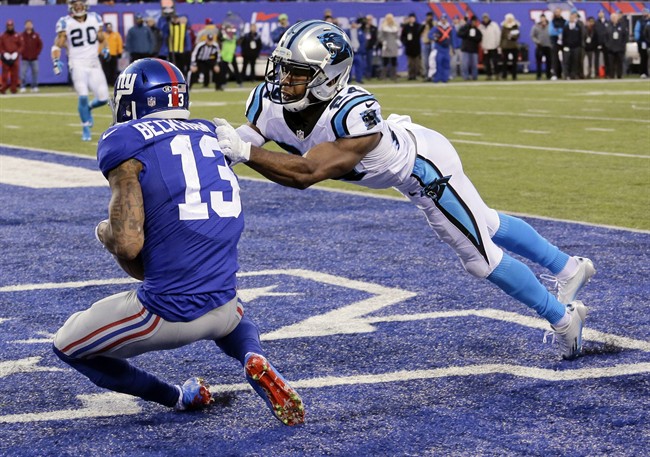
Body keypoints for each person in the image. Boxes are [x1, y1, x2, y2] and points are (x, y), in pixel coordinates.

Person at [213, 20, 595, 361]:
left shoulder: (353, 111)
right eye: (282, 69)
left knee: (479, 257)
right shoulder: (269, 100)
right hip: (413, 157)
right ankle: (569, 267)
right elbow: (254, 134)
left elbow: (307, 173)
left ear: (327, 77)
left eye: (295, 72)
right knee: (487, 223)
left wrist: (244, 152)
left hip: (425, 170)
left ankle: (563, 319)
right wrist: (230, 145)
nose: (282, 80)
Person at [52, 58, 304, 426]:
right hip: (225, 308)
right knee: (231, 314)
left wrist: (103, 231)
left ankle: (179, 397)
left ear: (141, 100)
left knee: (67, 346)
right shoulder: (208, 133)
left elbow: (127, 245)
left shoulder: (124, 141)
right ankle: (252, 354)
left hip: (167, 311)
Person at [51, 0, 109, 141]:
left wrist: (105, 48)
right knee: (82, 94)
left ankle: (88, 108)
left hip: (94, 62)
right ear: (71, 6)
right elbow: (57, 45)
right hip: (76, 63)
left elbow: (101, 38)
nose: (78, 6)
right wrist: (56, 60)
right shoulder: (65, 22)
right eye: (75, 4)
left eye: (80, 3)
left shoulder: (95, 17)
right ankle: (85, 127)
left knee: (103, 99)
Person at [19, 20, 43, 93]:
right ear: (25, 26)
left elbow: (40, 45)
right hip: (25, 58)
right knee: (23, 73)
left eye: (30, 24)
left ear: (32, 25)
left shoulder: (36, 35)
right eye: (27, 24)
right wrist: (22, 53)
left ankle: (34, 86)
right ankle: (22, 86)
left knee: (35, 72)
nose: (28, 26)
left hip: (34, 58)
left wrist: (37, 53)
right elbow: (19, 45)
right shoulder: (21, 35)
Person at [0, 19, 23, 95]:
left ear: (13, 26)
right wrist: (4, 53)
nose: (10, 27)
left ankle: (13, 89)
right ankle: (3, 89)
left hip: (14, 57)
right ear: (6, 26)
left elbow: (21, 45)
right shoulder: (3, 36)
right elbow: (0, 46)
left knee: (14, 75)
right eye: (8, 26)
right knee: (5, 75)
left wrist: (17, 53)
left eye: (11, 26)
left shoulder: (17, 35)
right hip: (5, 58)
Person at [457, 15, 482, 81]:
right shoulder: (465, 28)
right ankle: (465, 77)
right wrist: (467, 32)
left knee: (474, 65)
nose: (474, 23)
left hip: (474, 50)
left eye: (475, 22)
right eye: (473, 21)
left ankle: (474, 77)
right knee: (465, 64)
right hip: (466, 49)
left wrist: (473, 38)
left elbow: (479, 38)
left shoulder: (477, 30)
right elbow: (459, 34)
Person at [430, 14, 454, 83]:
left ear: (446, 19)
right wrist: (434, 38)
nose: (443, 20)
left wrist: (452, 47)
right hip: (439, 48)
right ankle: (437, 78)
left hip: (446, 48)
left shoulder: (449, 27)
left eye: (445, 19)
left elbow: (452, 38)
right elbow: (430, 34)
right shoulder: (437, 27)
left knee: (446, 64)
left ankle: (445, 78)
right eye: (442, 19)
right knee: (438, 63)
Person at [561, 11, 584, 80]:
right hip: (567, 47)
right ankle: (566, 75)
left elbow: (580, 37)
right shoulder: (566, 27)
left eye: (573, 17)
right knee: (567, 61)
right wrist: (564, 45)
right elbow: (563, 37)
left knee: (575, 61)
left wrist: (579, 46)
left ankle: (574, 74)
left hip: (576, 47)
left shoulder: (578, 27)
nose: (572, 18)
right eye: (571, 17)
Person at [378, 13, 400, 81]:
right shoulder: (383, 27)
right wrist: (383, 42)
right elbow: (380, 36)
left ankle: (393, 76)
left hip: (394, 45)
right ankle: (383, 76)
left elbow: (397, 36)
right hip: (386, 45)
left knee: (394, 61)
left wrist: (397, 41)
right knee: (385, 62)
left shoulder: (395, 27)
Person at [478, 13, 500, 80]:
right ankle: (489, 75)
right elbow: (479, 37)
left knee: (495, 62)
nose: (485, 19)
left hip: (494, 46)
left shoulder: (494, 25)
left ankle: (497, 74)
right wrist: (481, 45)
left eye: (486, 17)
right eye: (484, 18)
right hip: (485, 47)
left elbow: (498, 34)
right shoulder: (480, 26)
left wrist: (497, 44)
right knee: (486, 63)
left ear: (488, 18)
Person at [605, 12, 627, 79]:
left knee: (620, 62)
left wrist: (623, 45)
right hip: (611, 48)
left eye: (615, 17)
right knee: (611, 63)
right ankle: (611, 75)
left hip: (619, 48)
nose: (614, 19)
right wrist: (608, 45)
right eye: (612, 18)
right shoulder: (608, 26)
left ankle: (619, 75)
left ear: (617, 18)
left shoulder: (622, 26)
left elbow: (625, 36)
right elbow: (605, 37)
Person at [401, 13, 422, 81]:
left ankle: (416, 75)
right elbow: (402, 36)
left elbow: (420, 33)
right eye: (410, 18)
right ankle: (410, 75)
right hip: (409, 47)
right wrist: (405, 42)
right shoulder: (406, 27)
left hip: (416, 47)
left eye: (413, 18)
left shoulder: (417, 26)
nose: (411, 19)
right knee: (410, 63)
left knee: (416, 63)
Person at [531, 15, 552, 80]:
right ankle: (539, 75)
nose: (542, 20)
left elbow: (553, 34)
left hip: (548, 46)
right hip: (539, 46)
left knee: (549, 62)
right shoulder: (536, 26)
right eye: (541, 19)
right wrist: (537, 41)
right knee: (538, 62)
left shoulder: (550, 26)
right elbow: (532, 36)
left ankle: (548, 75)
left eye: (543, 18)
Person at [101, 22, 123, 86]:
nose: (109, 28)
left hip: (114, 54)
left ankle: (113, 82)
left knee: (113, 69)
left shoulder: (116, 34)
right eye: (108, 27)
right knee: (106, 69)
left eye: (110, 27)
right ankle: (106, 82)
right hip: (105, 54)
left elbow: (119, 43)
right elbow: (101, 44)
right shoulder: (103, 35)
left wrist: (119, 52)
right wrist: (100, 52)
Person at [500, 13, 520, 80]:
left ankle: (514, 75)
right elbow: (502, 37)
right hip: (505, 46)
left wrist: (511, 37)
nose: (509, 20)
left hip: (514, 46)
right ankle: (504, 75)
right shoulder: (504, 27)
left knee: (514, 62)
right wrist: (500, 45)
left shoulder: (515, 26)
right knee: (505, 62)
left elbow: (517, 35)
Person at [549, 8, 567, 80]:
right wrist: (559, 32)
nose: (557, 13)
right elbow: (551, 32)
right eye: (556, 12)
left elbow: (566, 30)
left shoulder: (564, 21)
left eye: (558, 12)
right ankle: (555, 74)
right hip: (555, 42)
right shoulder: (552, 22)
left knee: (565, 58)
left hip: (564, 41)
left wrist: (559, 31)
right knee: (555, 59)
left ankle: (565, 73)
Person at [349, 18, 367, 84]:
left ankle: (359, 79)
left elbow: (363, 41)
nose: (354, 24)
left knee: (359, 66)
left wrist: (360, 49)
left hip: (358, 52)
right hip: (350, 52)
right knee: (349, 67)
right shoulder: (347, 31)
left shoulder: (360, 31)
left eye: (354, 23)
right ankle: (348, 80)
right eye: (352, 23)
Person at [633, 8, 649, 78]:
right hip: (643, 42)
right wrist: (638, 39)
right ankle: (643, 72)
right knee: (643, 58)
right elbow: (637, 30)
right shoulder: (640, 21)